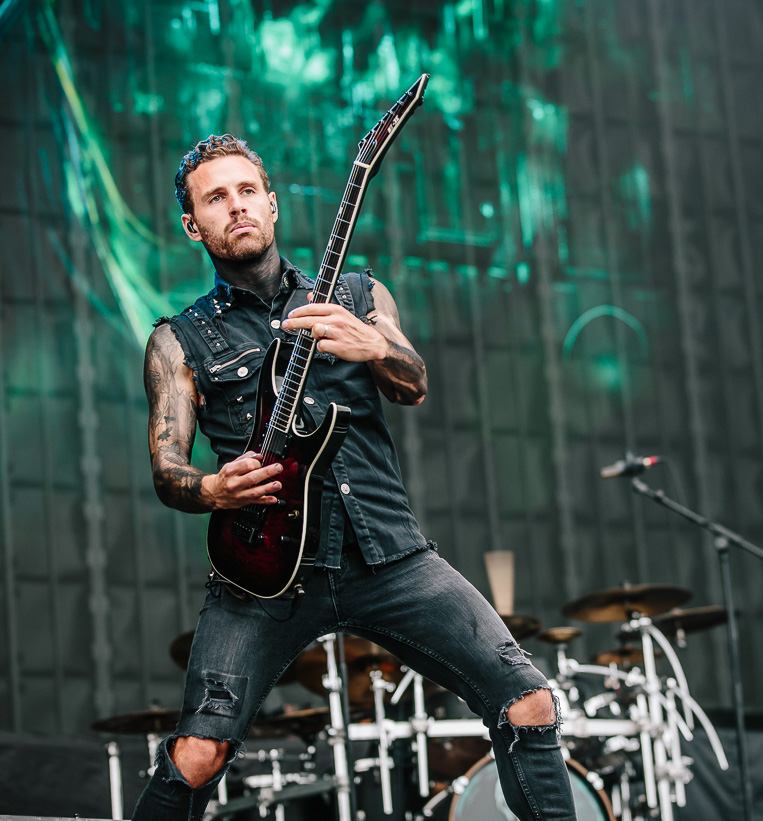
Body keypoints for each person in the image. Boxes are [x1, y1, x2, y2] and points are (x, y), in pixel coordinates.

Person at [132, 134, 576, 820]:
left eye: (247, 191)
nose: (236, 206)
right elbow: (167, 469)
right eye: (216, 198)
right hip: (263, 571)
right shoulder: (177, 340)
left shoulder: (358, 294)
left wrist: (375, 345)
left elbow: (413, 384)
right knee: (199, 753)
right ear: (193, 225)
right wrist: (215, 489)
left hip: (387, 555)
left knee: (530, 700)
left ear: (272, 204)